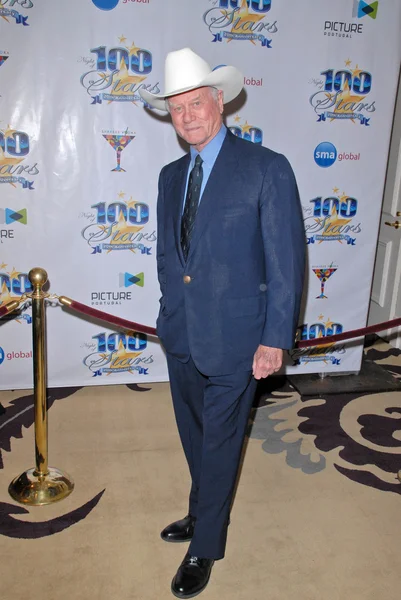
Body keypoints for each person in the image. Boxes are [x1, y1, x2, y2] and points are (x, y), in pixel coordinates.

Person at [139, 48, 305, 599]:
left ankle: (205, 544)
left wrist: (274, 339)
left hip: (239, 337)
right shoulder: (168, 177)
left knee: (220, 442)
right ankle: (198, 510)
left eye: (197, 103)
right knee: (194, 435)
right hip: (182, 333)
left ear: (220, 101)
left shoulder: (266, 168)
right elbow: (171, 257)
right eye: (177, 107)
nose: (188, 116)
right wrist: (169, 314)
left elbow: (286, 262)